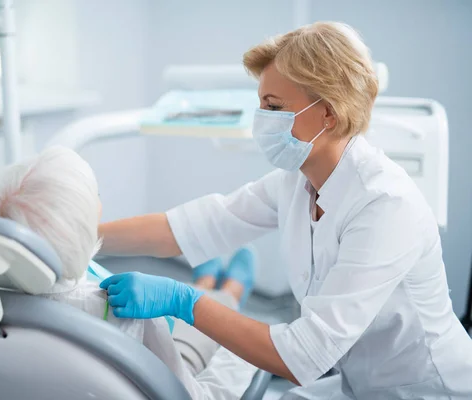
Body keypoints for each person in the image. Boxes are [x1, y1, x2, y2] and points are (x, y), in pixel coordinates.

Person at [98, 21, 472, 399]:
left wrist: (185, 301)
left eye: (273, 106)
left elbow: (303, 355)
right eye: (261, 103)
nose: (261, 119)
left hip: (428, 391)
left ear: (329, 113)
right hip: (358, 383)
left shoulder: (386, 207)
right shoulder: (296, 181)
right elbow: (194, 226)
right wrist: (84, 235)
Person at [0, 145, 258, 400]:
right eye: (94, 197)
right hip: (162, 365)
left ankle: (206, 280)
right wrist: (249, 362)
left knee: (190, 294)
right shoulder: (119, 313)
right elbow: (182, 392)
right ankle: (230, 290)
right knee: (209, 308)